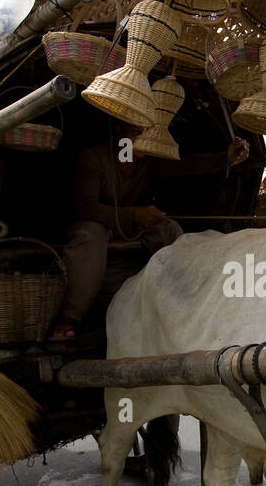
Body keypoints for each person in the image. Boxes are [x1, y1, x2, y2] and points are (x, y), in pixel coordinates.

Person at [52, 120, 249, 341]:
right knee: (91, 233)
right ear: (118, 131)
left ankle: (188, 304)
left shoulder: (145, 161)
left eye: (147, 133)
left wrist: (226, 158)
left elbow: (184, 163)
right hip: (92, 226)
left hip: (125, 228)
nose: (142, 140)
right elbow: (84, 207)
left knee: (168, 229)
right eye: (136, 132)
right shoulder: (94, 157)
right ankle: (67, 319)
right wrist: (134, 214)